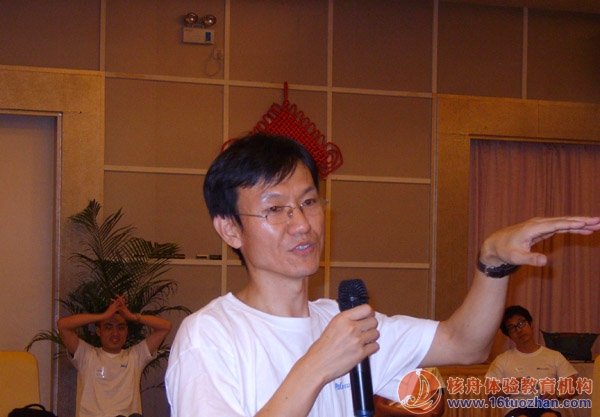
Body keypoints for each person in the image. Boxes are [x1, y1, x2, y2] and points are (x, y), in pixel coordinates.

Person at [164, 133, 600, 417]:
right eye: (275, 208)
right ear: (229, 229)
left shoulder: (343, 323)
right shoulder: (210, 335)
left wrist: (494, 264)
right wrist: (316, 366)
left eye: (309, 202)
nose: (301, 224)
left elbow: (464, 344)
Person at [57, 294, 172, 417]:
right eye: (108, 327)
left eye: (121, 327)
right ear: (99, 331)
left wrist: (132, 316)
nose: (115, 333)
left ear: (126, 331)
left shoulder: (135, 356)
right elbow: (63, 325)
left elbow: (165, 327)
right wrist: (103, 316)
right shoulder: (87, 355)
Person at [485, 305, 579, 417]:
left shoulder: (554, 356)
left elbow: (574, 386)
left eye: (521, 323)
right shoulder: (502, 360)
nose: (519, 330)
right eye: (512, 328)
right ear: (509, 335)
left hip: (548, 408)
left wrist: (557, 394)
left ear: (531, 324)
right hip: (516, 409)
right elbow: (490, 394)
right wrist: (510, 387)